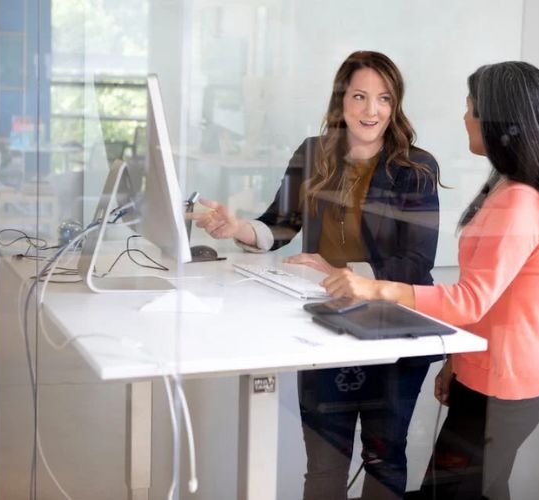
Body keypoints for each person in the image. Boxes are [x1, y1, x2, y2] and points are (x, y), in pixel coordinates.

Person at [321, 61, 539, 500]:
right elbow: (494, 298)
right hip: (487, 375)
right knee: (479, 489)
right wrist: (456, 363)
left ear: (502, 122)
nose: (465, 118)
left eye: (471, 109)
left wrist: (371, 287)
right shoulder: (508, 185)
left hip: (504, 384)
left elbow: (470, 300)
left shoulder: (519, 201)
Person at [188, 51, 443, 499]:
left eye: (383, 98)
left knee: (385, 460)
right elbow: (280, 225)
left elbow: (416, 262)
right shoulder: (313, 153)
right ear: (341, 101)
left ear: (395, 104)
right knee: (324, 466)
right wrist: (237, 228)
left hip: (393, 326)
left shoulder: (415, 168)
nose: (371, 110)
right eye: (360, 96)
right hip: (327, 327)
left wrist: (339, 270)